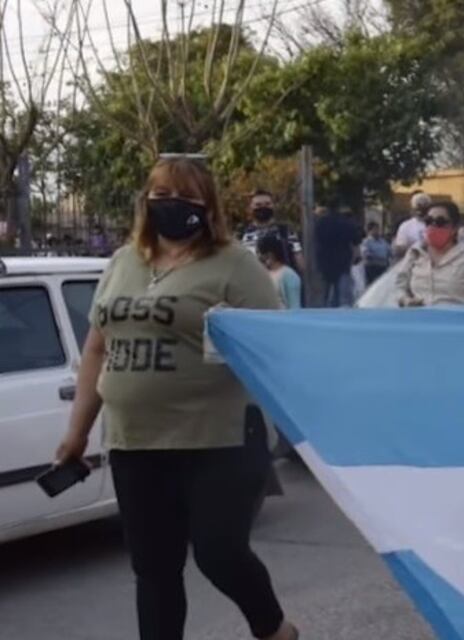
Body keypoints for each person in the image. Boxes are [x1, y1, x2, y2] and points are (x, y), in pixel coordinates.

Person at [54, 157, 298, 640]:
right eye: (161, 195)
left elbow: (278, 346)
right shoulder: (124, 261)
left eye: (184, 197)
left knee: (218, 553)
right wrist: (77, 433)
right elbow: (97, 347)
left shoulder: (234, 265)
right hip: (135, 443)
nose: (170, 206)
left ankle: (274, 630)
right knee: (155, 570)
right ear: (147, 201)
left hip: (220, 439)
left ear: (206, 206)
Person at [395, 201, 464, 307]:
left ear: (454, 228)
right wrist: (405, 300)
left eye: (440, 222)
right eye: (428, 221)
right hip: (420, 321)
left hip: (456, 321)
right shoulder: (415, 253)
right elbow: (398, 287)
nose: (433, 226)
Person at [241, 190, 305, 273]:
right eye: (258, 205)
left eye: (267, 204)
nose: (263, 207)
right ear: (250, 207)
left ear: (273, 206)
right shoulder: (243, 235)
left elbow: (299, 260)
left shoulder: (285, 231)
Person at [314, 205, 362, 308]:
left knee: (323, 298)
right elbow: (356, 245)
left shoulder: (320, 224)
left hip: (324, 263)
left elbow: (315, 242)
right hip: (343, 263)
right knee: (343, 299)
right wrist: (355, 259)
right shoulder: (348, 224)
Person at [257, 235, 302, 310]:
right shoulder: (264, 274)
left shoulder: (289, 275)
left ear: (270, 254)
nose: (259, 257)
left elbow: (295, 306)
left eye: (261, 254)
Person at [393, 191, 431, 259]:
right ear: (412, 209)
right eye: (417, 209)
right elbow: (399, 250)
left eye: (424, 209)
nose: (420, 212)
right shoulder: (405, 226)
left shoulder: (435, 224)